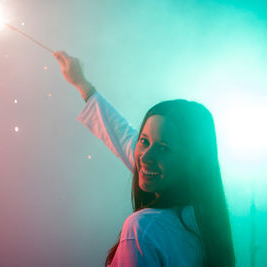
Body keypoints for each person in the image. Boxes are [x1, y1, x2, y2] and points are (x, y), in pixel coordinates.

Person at [53, 51, 236, 267]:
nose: (145, 157)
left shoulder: (143, 228)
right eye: (144, 141)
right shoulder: (205, 219)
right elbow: (124, 136)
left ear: (191, 162)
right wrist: (83, 85)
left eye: (164, 148)